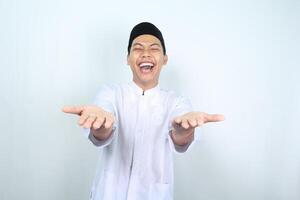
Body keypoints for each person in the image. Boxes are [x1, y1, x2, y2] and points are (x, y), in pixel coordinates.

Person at [62, 22, 224, 200]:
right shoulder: (110, 94)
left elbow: (181, 136)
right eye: (138, 48)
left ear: (164, 59)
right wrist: (101, 126)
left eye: (154, 48)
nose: (146, 53)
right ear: (128, 58)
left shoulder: (177, 103)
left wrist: (184, 131)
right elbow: (102, 128)